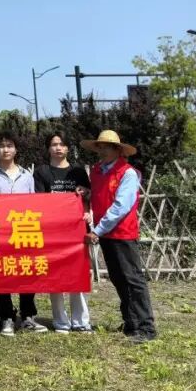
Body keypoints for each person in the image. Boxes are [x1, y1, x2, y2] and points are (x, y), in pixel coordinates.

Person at [81, 130, 156, 343]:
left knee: (133, 279)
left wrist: (97, 230)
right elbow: (99, 196)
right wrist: (86, 193)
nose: (102, 151)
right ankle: (131, 322)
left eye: (107, 147)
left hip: (123, 233)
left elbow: (121, 206)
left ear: (117, 150)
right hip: (107, 233)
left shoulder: (127, 173)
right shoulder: (97, 171)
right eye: (100, 147)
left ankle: (146, 327)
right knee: (118, 278)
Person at [0, 131, 48, 335]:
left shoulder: (27, 176)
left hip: (23, 230)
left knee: (26, 271)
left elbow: (34, 203)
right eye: (1, 146)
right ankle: (6, 317)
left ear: (16, 149)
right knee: (3, 274)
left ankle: (28, 316)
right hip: (0, 233)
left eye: (9, 145)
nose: (5, 150)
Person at [33, 131, 93, 334]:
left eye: (62, 144)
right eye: (54, 144)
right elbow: (39, 201)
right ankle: (60, 321)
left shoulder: (78, 171)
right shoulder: (41, 172)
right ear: (48, 148)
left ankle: (81, 321)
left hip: (77, 231)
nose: (58, 148)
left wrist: (87, 208)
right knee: (56, 276)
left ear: (68, 148)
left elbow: (88, 197)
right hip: (53, 232)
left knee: (78, 275)